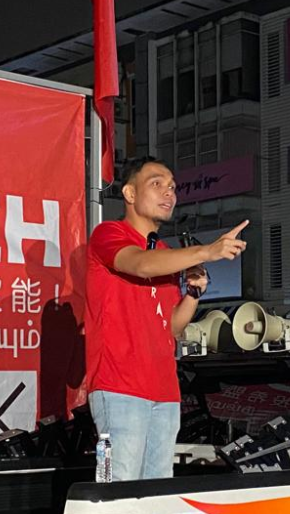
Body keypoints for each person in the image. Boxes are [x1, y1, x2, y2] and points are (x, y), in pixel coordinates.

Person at [85, 156, 247, 481]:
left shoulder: (165, 250)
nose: (169, 193)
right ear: (129, 194)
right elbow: (140, 264)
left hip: (165, 392)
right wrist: (206, 251)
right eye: (156, 184)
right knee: (119, 487)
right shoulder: (109, 234)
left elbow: (173, 326)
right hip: (119, 387)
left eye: (172, 187)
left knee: (157, 489)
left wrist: (193, 294)